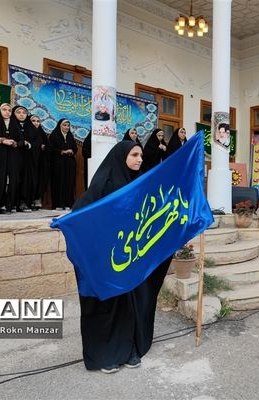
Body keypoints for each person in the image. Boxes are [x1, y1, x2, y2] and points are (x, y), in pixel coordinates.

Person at [72, 141, 173, 374]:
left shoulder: (137, 183)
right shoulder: (103, 184)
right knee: (108, 305)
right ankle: (107, 355)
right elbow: (82, 210)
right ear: (121, 157)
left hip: (130, 256)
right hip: (107, 259)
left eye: (140, 155)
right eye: (134, 155)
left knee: (131, 303)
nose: (139, 159)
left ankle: (129, 351)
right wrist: (65, 221)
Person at [11, 105, 39, 212]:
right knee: (15, 180)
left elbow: (37, 141)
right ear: (14, 114)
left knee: (27, 181)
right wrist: (21, 143)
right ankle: (13, 204)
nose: (22, 114)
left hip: (28, 159)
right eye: (19, 112)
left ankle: (25, 203)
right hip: (14, 158)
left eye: (24, 112)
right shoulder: (11, 125)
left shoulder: (30, 126)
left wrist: (30, 144)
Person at [49, 119, 77, 210]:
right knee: (58, 182)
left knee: (69, 182)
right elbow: (51, 149)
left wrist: (72, 151)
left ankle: (68, 203)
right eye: (64, 125)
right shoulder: (54, 135)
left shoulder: (70, 136)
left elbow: (75, 148)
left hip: (69, 163)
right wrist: (62, 151)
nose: (66, 127)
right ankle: (58, 204)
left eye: (68, 125)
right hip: (58, 163)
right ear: (60, 126)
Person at [30, 114, 50, 210]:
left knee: (40, 180)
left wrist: (44, 147)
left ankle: (37, 199)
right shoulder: (26, 132)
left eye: (38, 121)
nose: (36, 123)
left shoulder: (42, 133)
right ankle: (28, 201)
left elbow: (48, 146)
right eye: (33, 121)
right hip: (29, 162)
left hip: (40, 162)